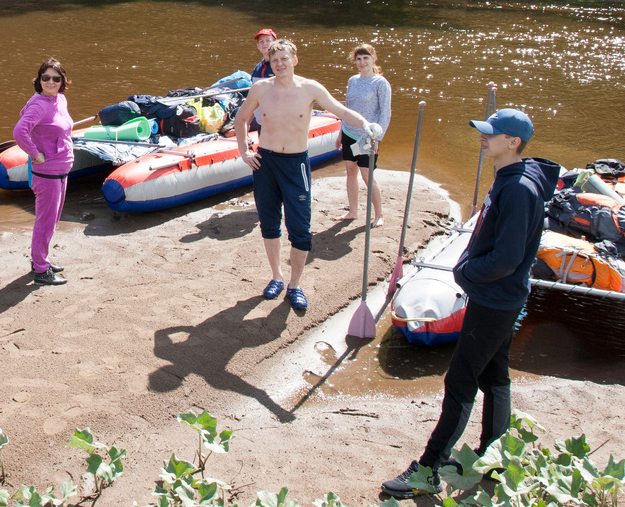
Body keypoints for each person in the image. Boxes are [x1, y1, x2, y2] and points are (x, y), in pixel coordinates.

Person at [381, 108, 559, 498]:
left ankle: (427, 470)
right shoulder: (512, 177)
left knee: (459, 381)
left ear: (513, 142)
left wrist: (465, 273)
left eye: (490, 134)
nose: (482, 138)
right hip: (500, 298)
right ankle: (495, 456)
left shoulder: (518, 189)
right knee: (494, 375)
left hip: (495, 300)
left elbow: (507, 258)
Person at [234, 39, 376, 311]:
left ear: (294, 60)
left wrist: (366, 124)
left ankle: (295, 285)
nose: (280, 64)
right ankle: (276, 276)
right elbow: (241, 119)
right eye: (275, 60)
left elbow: (341, 111)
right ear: (269, 63)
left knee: (300, 228)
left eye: (284, 59)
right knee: (269, 223)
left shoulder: (310, 88)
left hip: (295, 164)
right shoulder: (261, 88)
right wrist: (245, 152)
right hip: (265, 163)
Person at [13, 58, 74, 286]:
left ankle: (41, 259)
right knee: (45, 221)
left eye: (55, 78)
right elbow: (20, 131)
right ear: (39, 80)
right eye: (45, 77)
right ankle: (40, 270)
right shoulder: (40, 104)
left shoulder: (59, 99)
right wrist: (35, 154)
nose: (50, 82)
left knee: (52, 219)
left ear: (62, 82)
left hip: (61, 170)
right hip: (47, 172)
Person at [339, 43, 392, 226]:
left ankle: (379, 215)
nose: (362, 63)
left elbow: (385, 113)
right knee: (350, 171)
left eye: (365, 58)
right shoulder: (353, 80)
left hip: (368, 136)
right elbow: (348, 109)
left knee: (367, 175)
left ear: (373, 59)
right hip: (348, 131)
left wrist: (377, 138)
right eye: (358, 59)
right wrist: (340, 132)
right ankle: (353, 211)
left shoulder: (380, 83)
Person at [250, 29, 277, 132]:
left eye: (268, 40)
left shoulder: (279, 67)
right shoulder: (257, 69)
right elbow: (253, 99)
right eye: (261, 41)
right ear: (258, 46)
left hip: (278, 123)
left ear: (275, 43)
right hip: (261, 123)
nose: (264, 44)